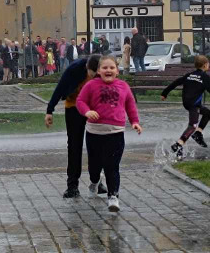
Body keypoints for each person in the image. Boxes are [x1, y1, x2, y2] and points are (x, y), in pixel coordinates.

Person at [75, 55, 142, 212]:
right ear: (98, 70)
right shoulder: (91, 85)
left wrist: (135, 122)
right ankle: (94, 181)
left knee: (112, 166)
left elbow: (130, 105)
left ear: (117, 71)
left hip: (116, 133)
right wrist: (87, 112)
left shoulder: (124, 86)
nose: (108, 70)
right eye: (104, 68)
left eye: (112, 67)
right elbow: (80, 101)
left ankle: (113, 196)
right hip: (94, 133)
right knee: (95, 166)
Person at [45, 55, 96, 198]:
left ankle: (97, 181)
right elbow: (60, 87)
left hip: (94, 109)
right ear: (87, 67)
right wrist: (50, 110)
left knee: (97, 145)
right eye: (93, 74)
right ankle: (72, 186)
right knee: (74, 145)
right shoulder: (75, 69)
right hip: (74, 107)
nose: (94, 77)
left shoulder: (102, 69)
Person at [162, 55, 210, 159]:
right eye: (208, 63)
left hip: (187, 103)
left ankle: (198, 134)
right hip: (193, 105)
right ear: (205, 65)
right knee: (192, 125)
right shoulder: (205, 77)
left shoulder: (189, 75)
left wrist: (164, 93)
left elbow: (175, 83)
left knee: (207, 113)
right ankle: (178, 145)